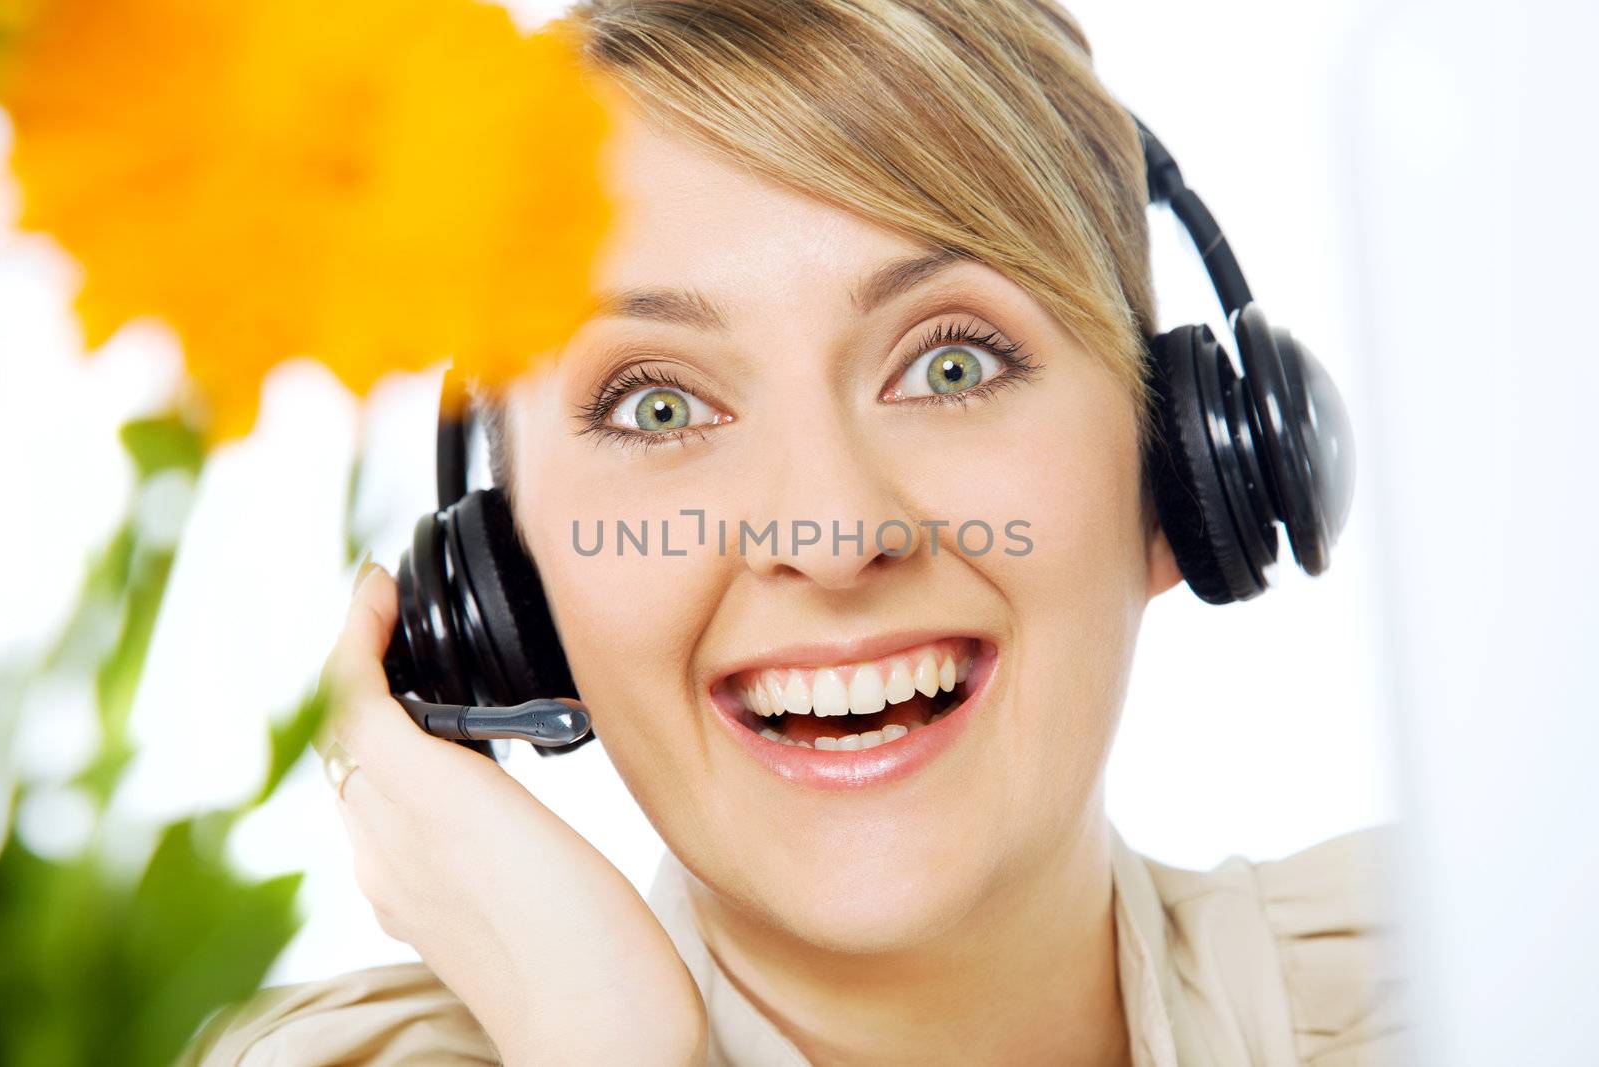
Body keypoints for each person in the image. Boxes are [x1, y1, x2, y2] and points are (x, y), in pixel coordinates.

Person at [180, 0, 1405, 1063]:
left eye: (951, 363)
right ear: (513, 592)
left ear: (1188, 469)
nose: (830, 533)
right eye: (658, 405)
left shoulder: (1502, 970)